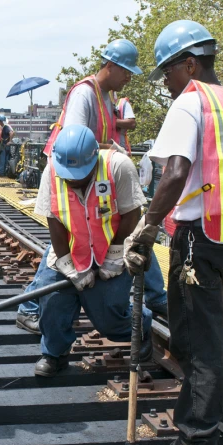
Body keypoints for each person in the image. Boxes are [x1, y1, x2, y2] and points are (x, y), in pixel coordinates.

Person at [123, 20, 223, 445]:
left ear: (189, 64)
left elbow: (175, 172)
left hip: (199, 241)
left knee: (197, 342)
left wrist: (146, 229)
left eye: (167, 72)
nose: (165, 84)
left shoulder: (192, 104)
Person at [15, 39, 168, 334]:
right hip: (69, 174)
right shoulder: (85, 94)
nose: (128, 78)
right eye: (126, 71)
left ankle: (158, 297)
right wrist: (111, 150)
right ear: (109, 66)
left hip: (90, 173)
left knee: (125, 230)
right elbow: (73, 139)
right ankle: (30, 307)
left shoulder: (106, 97)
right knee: (65, 241)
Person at [31, 124, 153, 377]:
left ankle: (142, 327)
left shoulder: (118, 166)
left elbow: (132, 212)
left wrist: (115, 254)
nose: (73, 179)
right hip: (72, 250)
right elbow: (53, 220)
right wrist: (67, 266)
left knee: (108, 315)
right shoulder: (52, 170)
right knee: (51, 301)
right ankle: (54, 354)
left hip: (111, 248)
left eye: (79, 173)